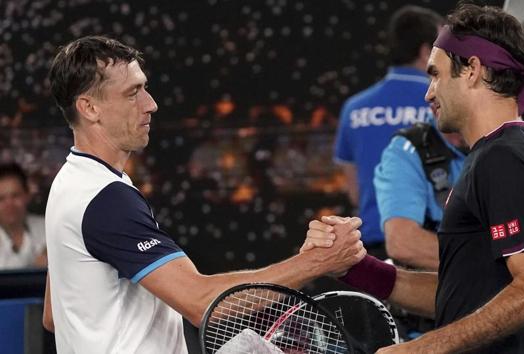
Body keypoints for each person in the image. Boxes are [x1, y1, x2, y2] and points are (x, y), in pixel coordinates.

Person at [42, 35, 366, 354]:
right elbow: (202, 302)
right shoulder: (106, 199)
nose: (150, 104)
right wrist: (316, 261)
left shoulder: (70, 183)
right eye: (132, 93)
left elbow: (55, 315)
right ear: (89, 107)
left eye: (144, 87)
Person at [306, 4, 524, 352]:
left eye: (436, 74)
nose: (428, 92)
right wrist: (355, 268)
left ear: (473, 70)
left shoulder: (503, 159)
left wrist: (419, 349)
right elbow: (460, 296)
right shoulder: (521, 153)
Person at [333, 5, 443, 259]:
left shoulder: (354, 108)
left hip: (372, 249)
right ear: (427, 51)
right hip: (429, 246)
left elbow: (354, 191)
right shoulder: (440, 100)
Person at [374, 120, 466, 270]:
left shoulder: (509, 142)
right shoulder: (408, 149)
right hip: (448, 283)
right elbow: (403, 243)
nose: (431, 97)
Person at [0, 162, 47, 269]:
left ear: (27, 195)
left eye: (15, 196)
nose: (9, 204)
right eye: (1, 199)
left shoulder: (48, 227)